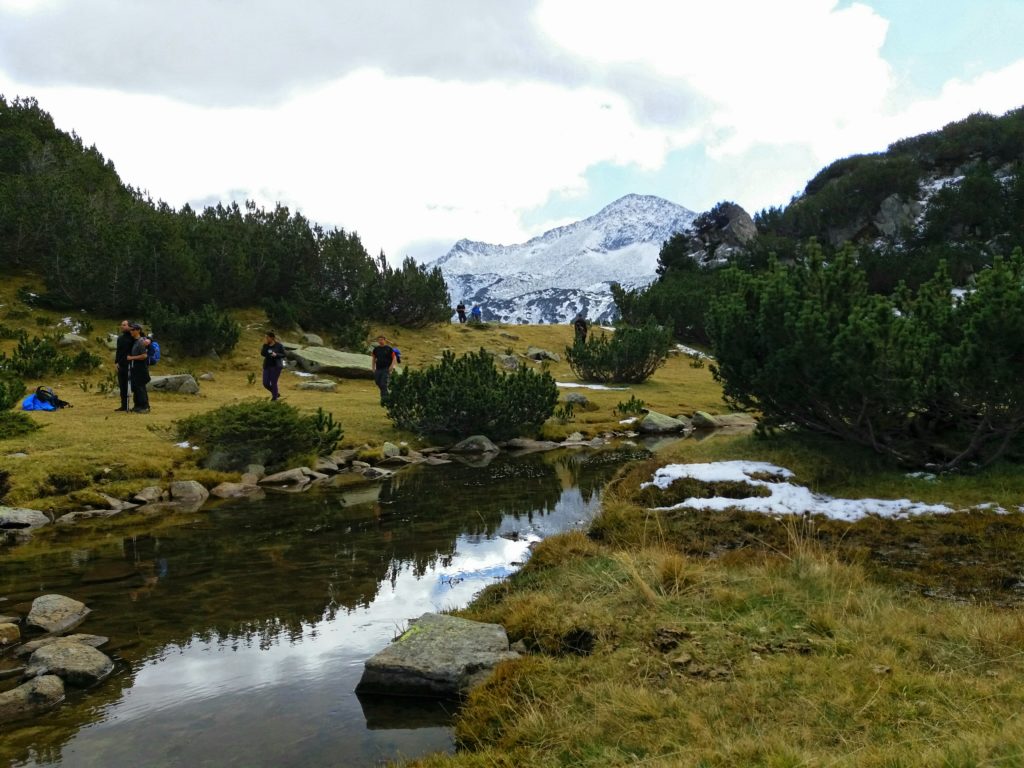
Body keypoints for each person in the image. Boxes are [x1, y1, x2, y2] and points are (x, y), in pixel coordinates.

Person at [125, 323, 151, 413]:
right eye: (130, 330)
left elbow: (144, 356)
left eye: (133, 330)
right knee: (136, 387)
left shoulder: (141, 342)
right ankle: (137, 405)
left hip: (141, 368)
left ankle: (145, 406)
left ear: (138, 330)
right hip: (135, 367)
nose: (131, 331)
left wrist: (131, 358)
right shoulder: (135, 341)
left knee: (140, 387)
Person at [370, 335, 397, 405]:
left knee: (383, 383)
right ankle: (387, 396)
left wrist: (391, 366)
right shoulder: (376, 349)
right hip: (378, 369)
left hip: (386, 368)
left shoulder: (389, 349)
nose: (380, 341)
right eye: (379, 340)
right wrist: (373, 368)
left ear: (385, 340)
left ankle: (384, 399)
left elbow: (394, 358)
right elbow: (373, 358)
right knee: (378, 382)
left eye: (382, 340)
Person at [114, 319, 133, 411]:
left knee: (132, 386)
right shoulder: (120, 338)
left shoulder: (133, 337)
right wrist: (116, 362)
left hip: (131, 365)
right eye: (122, 325)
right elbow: (118, 351)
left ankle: (134, 405)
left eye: (124, 325)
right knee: (122, 386)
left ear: (130, 326)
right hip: (121, 365)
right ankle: (123, 405)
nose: (122, 326)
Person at [260, 331, 286, 401]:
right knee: (265, 383)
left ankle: (274, 398)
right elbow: (262, 354)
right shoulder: (266, 345)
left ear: (272, 338)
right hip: (267, 366)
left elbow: (284, 354)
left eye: (267, 337)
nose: (266, 339)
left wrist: (276, 354)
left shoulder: (279, 345)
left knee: (274, 382)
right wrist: (265, 345)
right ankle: (276, 393)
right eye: (265, 337)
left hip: (276, 366)